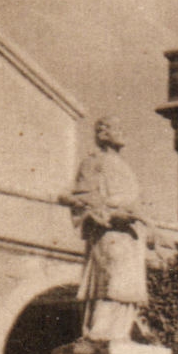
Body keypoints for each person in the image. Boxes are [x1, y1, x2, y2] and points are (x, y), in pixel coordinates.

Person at [63, 116, 153, 342]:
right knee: (110, 279)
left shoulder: (125, 167)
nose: (123, 133)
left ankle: (120, 333)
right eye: (117, 128)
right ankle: (100, 330)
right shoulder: (93, 162)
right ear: (103, 134)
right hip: (109, 231)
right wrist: (110, 214)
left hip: (131, 235)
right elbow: (82, 198)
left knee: (126, 285)